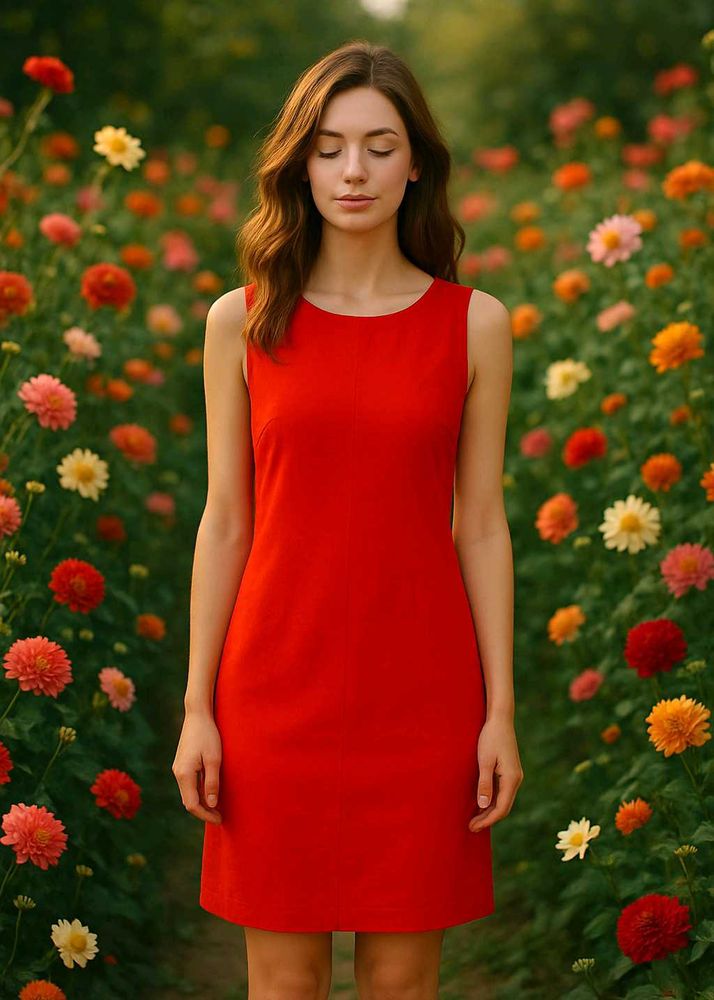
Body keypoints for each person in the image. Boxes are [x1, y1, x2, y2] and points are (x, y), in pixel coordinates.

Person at [172, 39, 523, 1000]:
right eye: (329, 147)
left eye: (378, 145)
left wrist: (499, 711)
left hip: (422, 695)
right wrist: (199, 708)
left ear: (417, 164)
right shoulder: (240, 321)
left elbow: (482, 525)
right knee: (283, 985)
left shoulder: (474, 323)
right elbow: (226, 522)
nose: (354, 170)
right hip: (272, 690)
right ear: (300, 161)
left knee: (403, 984)